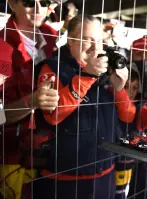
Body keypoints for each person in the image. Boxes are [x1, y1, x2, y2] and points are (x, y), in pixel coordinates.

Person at [33, 15, 130, 199]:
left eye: (100, 40)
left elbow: (129, 117)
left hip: (106, 176)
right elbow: (52, 115)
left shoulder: (106, 70)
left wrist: (119, 89)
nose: (96, 47)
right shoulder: (53, 67)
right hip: (66, 182)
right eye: (88, 40)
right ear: (71, 39)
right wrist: (87, 76)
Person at [0, 0, 59, 198]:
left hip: (52, 153)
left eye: (44, 2)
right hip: (11, 157)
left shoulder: (53, 40)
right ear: (12, 4)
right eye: (28, 2)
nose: (38, 8)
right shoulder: (1, 46)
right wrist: (32, 101)